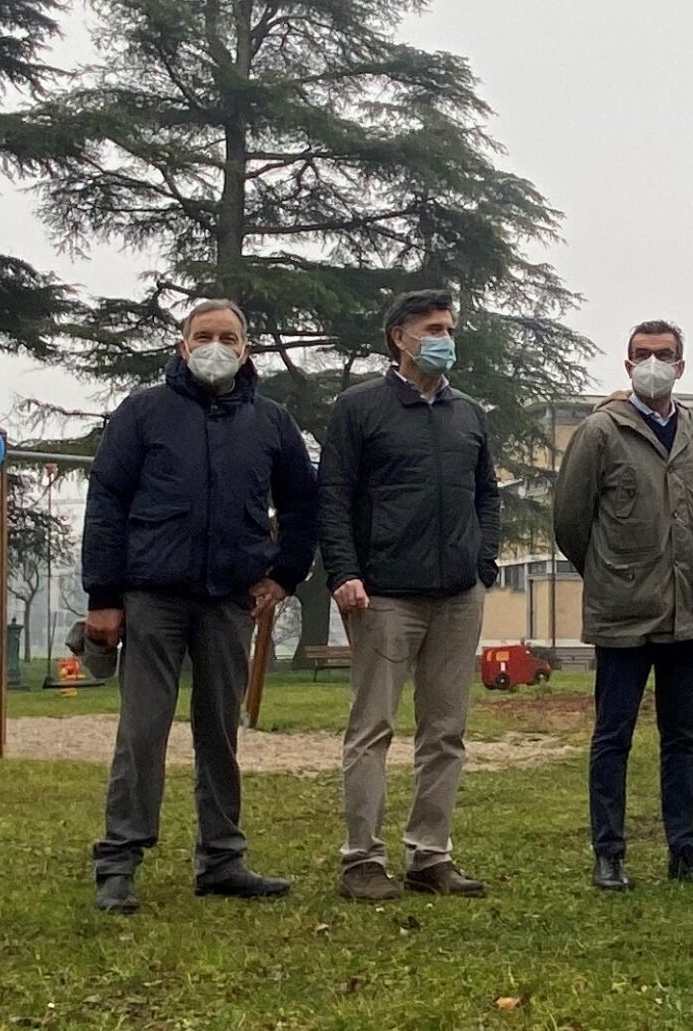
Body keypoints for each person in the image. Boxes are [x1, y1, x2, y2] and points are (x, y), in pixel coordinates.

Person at [81, 298, 320, 914]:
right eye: (204, 335)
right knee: (142, 731)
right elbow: (106, 502)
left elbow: (302, 503)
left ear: (247, 350)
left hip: (229, 601)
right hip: (151, 596)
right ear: (183, 345)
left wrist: (285, 575)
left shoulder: (272, 423)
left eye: (229, 336)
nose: (216, 345)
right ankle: (119, 862)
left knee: (221, 732)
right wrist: (104, 598)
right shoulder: (141, 413)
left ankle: (222, 859)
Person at [321, 289, 502, 902]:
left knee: (445, 730)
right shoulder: (358, 408)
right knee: (372, 727)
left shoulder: (469, 414)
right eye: (433, 327)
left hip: (458, 596)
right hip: (383, 597)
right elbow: (335, 496)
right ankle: (361, 861)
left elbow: (487, 496)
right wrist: (343, 571)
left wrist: (483, 565)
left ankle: (430, 856)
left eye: (449, 326)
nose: (445, 336)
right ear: (400, 336)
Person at [552, 321, 693, 891]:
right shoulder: (601, 431)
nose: (655, 362)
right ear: (627, 367)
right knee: (613, 736)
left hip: (688, 610)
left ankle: (685, 850)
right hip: (623, 613)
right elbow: (571, 523)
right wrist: (608, 573)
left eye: (665, 354)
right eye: (643, 354)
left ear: (681, 364)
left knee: (683, 738)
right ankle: (610, 853)